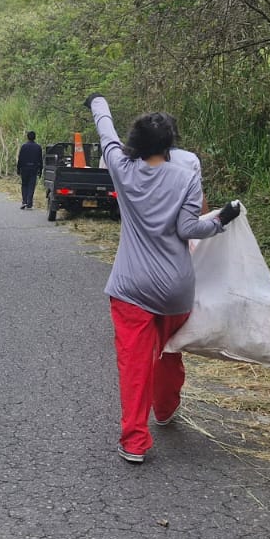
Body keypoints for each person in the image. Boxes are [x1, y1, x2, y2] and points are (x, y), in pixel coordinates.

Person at [88, 94, 241, 464]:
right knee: (170, 351)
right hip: (175, 289)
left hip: (131, 287)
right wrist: (223, 219)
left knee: (134, 362)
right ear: (170, 144)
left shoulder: (121, 168)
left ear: (135, 144)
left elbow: (105, 133)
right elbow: (190, 228)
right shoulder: (186, 177)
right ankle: (166, 407)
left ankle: (135, 442)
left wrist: (99, 103)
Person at [16, 130, 43, 209]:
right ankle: (29, 203)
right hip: (33, 169)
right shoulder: (38, 147)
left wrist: (18, 169)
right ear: (34, 137)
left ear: (27, 137)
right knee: (31, 186)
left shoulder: (24, 146)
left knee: (24, 185)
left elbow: (20, 159)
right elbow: (40, 160)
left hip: (24, 169)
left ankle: (24, 201)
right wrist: (40, 170)